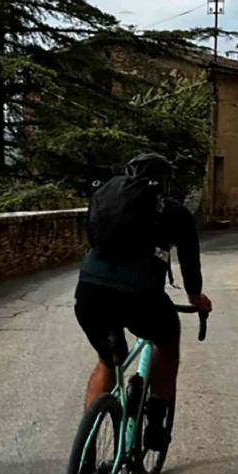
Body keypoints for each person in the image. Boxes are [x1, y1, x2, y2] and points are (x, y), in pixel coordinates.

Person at [74, 152, 213, 452]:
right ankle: (155, 422)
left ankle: (86, 449)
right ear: (164, 182)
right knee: (167, 342)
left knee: (108, 359)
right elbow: (190, 263)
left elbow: (92, 240)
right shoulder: (175, 212)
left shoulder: (107, 201)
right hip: (139, 296)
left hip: (90, 291)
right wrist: (196, 298)